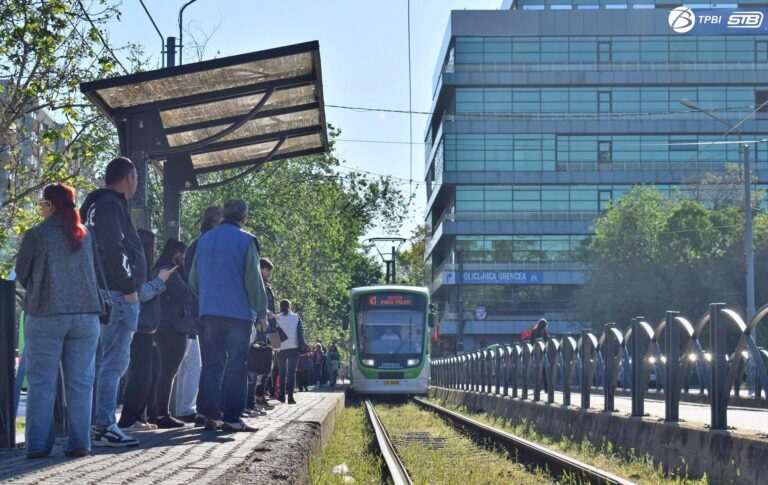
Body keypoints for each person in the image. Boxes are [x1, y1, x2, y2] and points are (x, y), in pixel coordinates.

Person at [15, 184, 102, 458]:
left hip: (46, 315)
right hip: (86, 317)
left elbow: (22, 273)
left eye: (42, 203)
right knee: (80, 383)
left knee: (41, 382)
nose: (41, 207)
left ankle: (39, 445)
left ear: (50, 206)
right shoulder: (85, 235)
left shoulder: (36, 235)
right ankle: (79, 443)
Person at [80, 156, 145, 447]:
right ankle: (104, 424)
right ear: (129, 177)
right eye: (137, 179)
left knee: (100, 364)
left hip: (103, 295)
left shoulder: (95, 204)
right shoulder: (111, 205)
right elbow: (113, 246)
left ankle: (94, 425)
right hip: (118, 296)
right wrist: (129, 286)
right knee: (113, 364)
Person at [189, 199, 268, 432]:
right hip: (238, 314)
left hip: (209, 312)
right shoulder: (247, 240)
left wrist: (207, 299)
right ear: (244, 217)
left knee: (212, 363)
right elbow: (253, 280)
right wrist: (261, 311)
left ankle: (207, 413)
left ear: (224, 214)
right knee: (236, 366)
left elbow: (193, 279)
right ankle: (233, 418)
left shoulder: (204, 239)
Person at [117, 230, 172, 431]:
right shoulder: (136, 263)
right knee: (141, 373)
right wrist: (160, 281)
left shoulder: (139, 264)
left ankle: (137, 416)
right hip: (140, 327)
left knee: (150, 373)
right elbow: (142, 292)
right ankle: (129, 419)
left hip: (146, 327)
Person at [175, 206, 223, 424]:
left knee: (205, 361)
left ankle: (201, 408)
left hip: (200, 308)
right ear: (215, 222)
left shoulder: (197, 244)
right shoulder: (209, 244)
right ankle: (206, 408)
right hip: (207, 309)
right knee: (212, 360)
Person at [152, 239, 194, 428]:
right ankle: (163, 414)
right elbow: (186, 294)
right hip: (173, 326)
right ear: (176, 253)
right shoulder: (171, 271)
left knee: (166, 371)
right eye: (182, 255)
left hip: (165, 324)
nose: (183, 258)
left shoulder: (159, 268)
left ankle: (160, 412)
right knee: (169, 371)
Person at [249, 258, 276, 413]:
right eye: (268, 271)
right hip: (258, 327)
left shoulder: (264, 284)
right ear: (261, 269)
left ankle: (257, 397)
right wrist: (266, 314)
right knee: (256, 365)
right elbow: (258, 303)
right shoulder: (256, 282)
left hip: (264, 328)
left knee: (264, 365)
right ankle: (253, 399)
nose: (269, 275)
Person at [276, 300, 306, 404]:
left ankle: (281, 396)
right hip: (294, 348)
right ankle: (290, 397)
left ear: (280, 306)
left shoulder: (277, 318)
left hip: (280, 349)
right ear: (290, 306)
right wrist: (303, 346)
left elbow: (273, 332)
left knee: (282, 372)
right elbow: (301, 332)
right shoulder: (296, 317)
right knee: (292, 372)